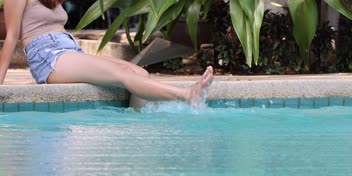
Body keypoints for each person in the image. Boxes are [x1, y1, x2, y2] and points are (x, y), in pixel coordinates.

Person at [0, 0, 214, 108]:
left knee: (138, 72)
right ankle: (186, 95)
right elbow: (11, 37)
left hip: (68, 48)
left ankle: (137, 127)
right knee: (123, 73)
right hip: (47, 56)